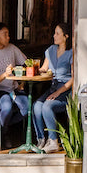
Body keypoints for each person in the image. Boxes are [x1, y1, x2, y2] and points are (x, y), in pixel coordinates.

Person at [0, 22, 29, 146]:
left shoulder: (12, 48)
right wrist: (6, 74)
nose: (8, 37)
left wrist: (22, 83)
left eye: (8, 34)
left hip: (14, 89)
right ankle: (4, 134)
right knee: (7, 107)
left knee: (27, 109)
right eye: (5, 34)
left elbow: (27, 64)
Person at [33, 21, 74, 153]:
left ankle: (53, 141)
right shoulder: (50, 50)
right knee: (37, 106)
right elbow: (44, 68)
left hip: (65, 89)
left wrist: (58, 93)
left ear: (66, 36)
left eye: (57, 33)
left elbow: (74, 78)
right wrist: (33, 69)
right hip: (53, 87)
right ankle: (41, 139)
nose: (54, 36)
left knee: (47, 106)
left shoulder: (72, 52)